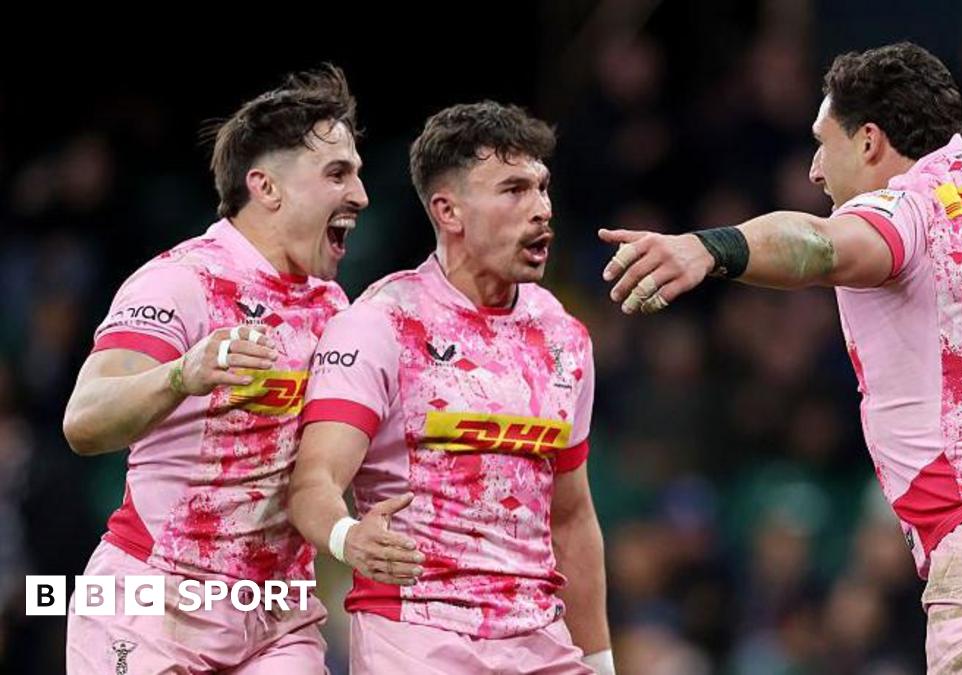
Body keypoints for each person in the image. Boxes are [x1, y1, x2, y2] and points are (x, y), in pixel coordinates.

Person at [600, 42, 962, 672]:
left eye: (822, 143)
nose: (815, 171)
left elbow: (819, 246)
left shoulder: (906, 212)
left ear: (869, 142)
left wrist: (709, 248)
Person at [62, 64, 368, 674]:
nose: (361, 195)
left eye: (357, 174)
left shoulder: (335, 308)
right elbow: (84, 422)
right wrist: (183, 373)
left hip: (275, 616)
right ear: (266, 186)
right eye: (338, 174)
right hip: (154, 600)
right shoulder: (181, 281)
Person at [288, 101, 613, 674]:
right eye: (514, 190)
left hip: (539, 640)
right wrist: (346, 537)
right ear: (448, 211)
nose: (541, 209)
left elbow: (571, 518)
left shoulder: (564, 337)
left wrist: (601, 661)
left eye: (542, 188)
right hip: (416, 635)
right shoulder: (380, 324)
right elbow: (314, 481)